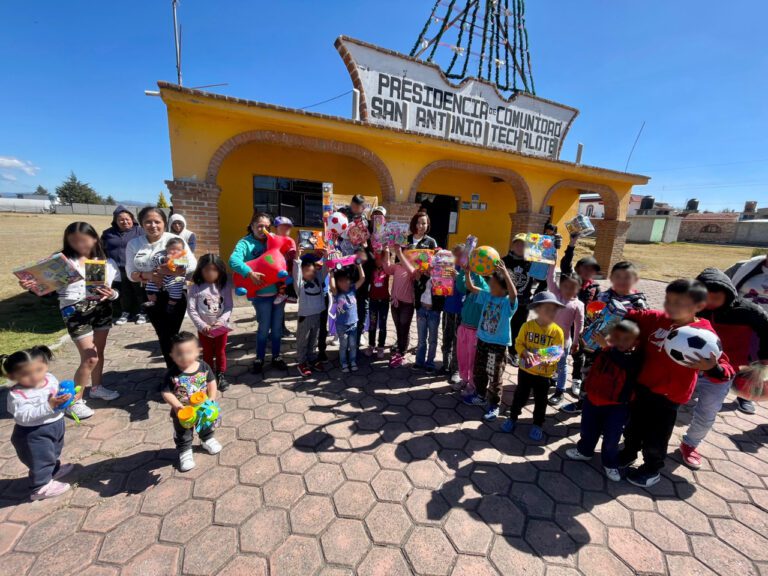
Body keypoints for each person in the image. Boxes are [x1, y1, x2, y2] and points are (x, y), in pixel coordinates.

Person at [616, 279, 734, 488]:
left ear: (698, 307)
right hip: (643, 388)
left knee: (656, 438)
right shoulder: (658, 319)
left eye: (678, 303)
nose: (670, 307)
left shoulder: (704, 334)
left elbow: (725, 369)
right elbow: (635, 315)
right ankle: (628, 453)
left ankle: (652, 469)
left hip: (669, 397)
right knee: (634, 427)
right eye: (668, 301)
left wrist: (713, 368)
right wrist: (617, 310)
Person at [19, 221, 122, 419]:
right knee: (89, 357)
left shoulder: (105, 262)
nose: (80, 245)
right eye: (73, 241)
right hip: (74, 312)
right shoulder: (62, 263)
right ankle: (73, 401)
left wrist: (112, 294)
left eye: (84, 241)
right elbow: (46, 292)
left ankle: (97, 387)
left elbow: (118, 291)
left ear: (94, 239)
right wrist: (32, 286)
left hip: (102, 309)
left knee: (98, 352)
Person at [678, 268, 768, 468]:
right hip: (686, 369)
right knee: (668, 405)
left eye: (715, 297)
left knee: (708, 411)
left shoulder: (748, 312)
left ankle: (690, 444)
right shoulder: (690, 307)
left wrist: (764, 358)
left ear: (727, 295)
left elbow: (766, 331)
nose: (708, 302)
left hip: (722, 373)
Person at [561, 260, 647, 414]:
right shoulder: (604, 295)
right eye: (617, 277)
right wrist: (589, 324)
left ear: (635, 280)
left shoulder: (638, 303)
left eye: (626, 277)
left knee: (611, 380)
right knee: (588, 374)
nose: (621, 281)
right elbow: (591, 315)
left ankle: (605, 411)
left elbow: (640, 332)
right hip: (594, 348)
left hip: (619, 353)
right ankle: (582, 403)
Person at [566, 320, 641, 482]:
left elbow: (621, 360)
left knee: (611, 439)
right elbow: (590, 356)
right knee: (587, 430)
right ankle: (585, 451)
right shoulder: (607, 350)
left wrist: (607, 346)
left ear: (635, 343)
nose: (620, 342)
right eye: (618, 337)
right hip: (592, 401)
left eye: (626, 339)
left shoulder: (634, 359)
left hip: (616, 408)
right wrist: (583, 343)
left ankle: (610, 463)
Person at [126, 207, 197, 369]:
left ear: (164, 223)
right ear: (141, 224)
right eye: (148, 222)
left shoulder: (174, 240)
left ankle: (177, 370)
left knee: (170, 334)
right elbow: (130, 273)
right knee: (163, 335)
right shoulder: (134, 244)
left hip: (175, 294)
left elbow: (192, 264)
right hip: (152, 295)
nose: (153, 225)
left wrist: (168, 270)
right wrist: (150, 275)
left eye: (157, 221)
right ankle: (175, 370)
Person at [3, 346, 74, 500]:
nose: (34, 376)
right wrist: (50, 406)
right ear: (12, 376)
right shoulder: (17, 394)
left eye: (39, 369)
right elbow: (23, 416)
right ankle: (40, 487)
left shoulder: (50, 379)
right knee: (40, 458)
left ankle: (53, 470)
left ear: (46, 365)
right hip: (32, 433)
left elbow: (57, 395)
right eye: (25, 374)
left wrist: (67, 398)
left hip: (55, 424)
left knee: (53, 451)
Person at [229, 212, 287, 373]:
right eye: (259, 226)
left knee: (277, 329)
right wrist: (249, 273)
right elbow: (233, 260)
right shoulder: (245, 243)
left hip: (278, 293)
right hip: (261, 296)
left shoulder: (272, 241)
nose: (263, 230)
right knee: (263, 328)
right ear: (252, 226)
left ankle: (276, 356)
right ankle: (259, 358)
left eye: (266, 227)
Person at [504, 291, 565, 441]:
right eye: (547, 309)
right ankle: (512, 417)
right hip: (525, 370)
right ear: (537, 310)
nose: (551, 313)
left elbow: (558, 352)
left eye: (554, 309)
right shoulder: (527, 326)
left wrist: (548, 360)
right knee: (520, 396)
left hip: (544, 374)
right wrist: (524, 352)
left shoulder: (558, 332)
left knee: (541, 400)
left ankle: (538, 424)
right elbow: (518, 343)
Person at [463, 262, 518, 420]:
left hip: (497, 346)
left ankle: (494, 405)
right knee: (479, 371)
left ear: (503, 288)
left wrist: (506, 275)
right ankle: (480, 395)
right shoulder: (487, 295)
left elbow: (514, 294)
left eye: (492, 284)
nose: (489, 285)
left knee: (494, 375)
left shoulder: (508, 302)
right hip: (482, 341)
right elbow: (471, 288)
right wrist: (467, 273)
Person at [160, 332, 222, 472]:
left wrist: (211, 398)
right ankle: (185, 452)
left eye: (189, 352)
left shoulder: (204, 366)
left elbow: (211, 382)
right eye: (179, 353)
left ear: (198, 351)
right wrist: (177, 405)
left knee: (206, 425)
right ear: (171, 355)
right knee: (183, 433)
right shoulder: (172, 374)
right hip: (183, 412)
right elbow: (166, 392)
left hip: (202, 408)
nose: (184, 357)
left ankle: (207, 439)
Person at [725, 253, 768, 414]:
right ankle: (711, 385)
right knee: (727, 355)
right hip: (737, 322)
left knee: (756, 362)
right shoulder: (744, 267)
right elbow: (720, 282)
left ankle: (746, 396)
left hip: (764, 328)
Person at [560, 233, 601, 394]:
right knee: (559, 348)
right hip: (563, 322)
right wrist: (571, 244)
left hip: (582, 326)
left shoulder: (595, 287)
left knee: (578, 354)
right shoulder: (570, 279)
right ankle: (555, 373)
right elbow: (565, 264)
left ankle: (576, 379)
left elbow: (597, 307)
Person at [187, 254, 234, 391]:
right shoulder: (194, 287)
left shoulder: (224, 286)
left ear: (220, 270)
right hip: (204, 329)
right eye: (207, 269)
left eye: (215, 269)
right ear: (200, 269)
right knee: (207, 352)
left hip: (221, 328)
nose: (210, 273)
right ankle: (208, 375)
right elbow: (191, 309)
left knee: (220, 351)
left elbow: (229, 307)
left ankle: (221, 374)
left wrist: (221, 321)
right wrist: (202, 326)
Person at [545, 264, 585, 407]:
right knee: (546, 361)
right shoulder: (555, 295)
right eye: (565, 286)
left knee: (561, 366)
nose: (568, 290)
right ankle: (548, 380)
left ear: (578, 288)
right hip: (547, 339)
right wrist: (552, 263)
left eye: (572, 287)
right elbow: (550, 279)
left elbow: (579, 326)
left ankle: (559, 391)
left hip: (563, 343)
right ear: (560, 286)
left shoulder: (578, 305)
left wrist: (576, 342)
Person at [101, 205, 146, 325]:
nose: (125, 221)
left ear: (132, 219)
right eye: (121, 219)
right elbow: (101, 248)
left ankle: (143, 312)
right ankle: (125, 312)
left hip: (135, 268)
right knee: (123, 292)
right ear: (115, 221)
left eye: (127, 218)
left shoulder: (140, 231)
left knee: (139, 291)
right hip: (117, 269)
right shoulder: (108, 233)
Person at [502, 233, 535, 367]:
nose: (520, 246)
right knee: (504, 327)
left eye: (524, 244)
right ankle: (501, 352)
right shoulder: (504, 261)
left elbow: (543, 279)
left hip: (524, 302)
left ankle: (514, 353)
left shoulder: (532, 263)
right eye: (518, 243)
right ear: (513, 244)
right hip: (506, 302)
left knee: (519, 329)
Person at [294, 250, 328, 376]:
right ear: (302, 272)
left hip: (317, 314)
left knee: (313, 339)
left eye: (313, 270)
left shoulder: (318, 279)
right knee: (303, 340)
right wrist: (297, 258)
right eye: (307, 270)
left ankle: (312, 358)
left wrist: (325, 256)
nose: (311, 272)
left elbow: (325, 270)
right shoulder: (300, 284)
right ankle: (302, 362)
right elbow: (296, 272)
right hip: (305, 316)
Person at [456, 269, 489, 397]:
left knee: (472, 360)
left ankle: (472, 384)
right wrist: (466, 272)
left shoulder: (485, 291)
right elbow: (464, 285)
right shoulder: (472, 289)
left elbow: (475, 283)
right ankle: (464, 379)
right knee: (462, 356)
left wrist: (473, 269)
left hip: (475, 332)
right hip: (464, 327)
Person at [384, 244, 417, 367]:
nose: (406, 256)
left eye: (409, 254)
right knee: (399, 327)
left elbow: (413, 273)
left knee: (404, 328)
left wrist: (399, 254)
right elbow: (387, 268)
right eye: (405, 253)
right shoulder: (397, 267)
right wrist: (386, 250)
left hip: (407, 305)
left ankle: (401, 353)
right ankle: (399, 349)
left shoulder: (414, 268)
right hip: (395, 303)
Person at [330, 263, 366, 372]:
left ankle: (353, 361)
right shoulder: (337, 292)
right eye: (341, 281)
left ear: (350, 281)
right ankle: (344, 363)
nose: (344, 283)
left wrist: (359, 265)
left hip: (353, 323)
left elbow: (363, 278)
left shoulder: (352, 289)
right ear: (337, 282)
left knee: (353, 344)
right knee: (343, 345)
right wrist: (331, 273)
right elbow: (332, 286)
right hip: (341, 325)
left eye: (346, 280)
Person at [441, 244, 465, 384]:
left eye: (460, 255)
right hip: (448, 308)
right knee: (446, 336)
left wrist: (459, 277)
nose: (457, 258)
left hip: (461, 310)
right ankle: (445, 365)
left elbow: (469, 289)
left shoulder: (468, 270)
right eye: (455, 255)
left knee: (458, 341)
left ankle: (455, 369)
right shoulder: (448, 266)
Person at [143, 237, 186, 311]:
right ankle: (152, 301)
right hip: (159, 277)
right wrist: (164, 259)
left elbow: (185, 265)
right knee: (150, 287)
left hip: (174, 279)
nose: (175, 252)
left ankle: (171, 305)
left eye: (178, 250)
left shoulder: (182, 258)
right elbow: (155, 260)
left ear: (182, 250)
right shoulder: (161, 254)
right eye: (172, 249)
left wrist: (177, 262)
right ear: (167, 249)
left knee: (176, 291)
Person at [273, 216, 298, 338]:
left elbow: (293, 257)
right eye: (283, 227)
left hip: (286, 277)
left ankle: (280, 328)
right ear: (275, 228)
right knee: (273, 304)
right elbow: (267, 256)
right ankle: (274, 329)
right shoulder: (271, 239)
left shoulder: (291, 240)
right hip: (273, 277)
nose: (286, 229)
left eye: (288, 227)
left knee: (281, 304)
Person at [414, 277, 443, 373]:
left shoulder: (442, 276)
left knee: (432, 340)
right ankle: (419, 362)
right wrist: (422, 277)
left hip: (433, 312)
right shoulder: (423, 274)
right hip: (421, 310)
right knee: (421, 339)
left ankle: (430, 363)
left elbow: (443, 295)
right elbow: (417, 289)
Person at [366, 249, 391, 359]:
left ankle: (380, 346)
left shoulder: (387, 269)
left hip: (384, 300)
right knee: (372, 324)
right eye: (377, 259)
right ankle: (371, 345)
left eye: (381, 259)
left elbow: (388, 258)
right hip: (373, 300)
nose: (379, 261)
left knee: (382, 324)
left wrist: (386, 248)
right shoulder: (371, 270)